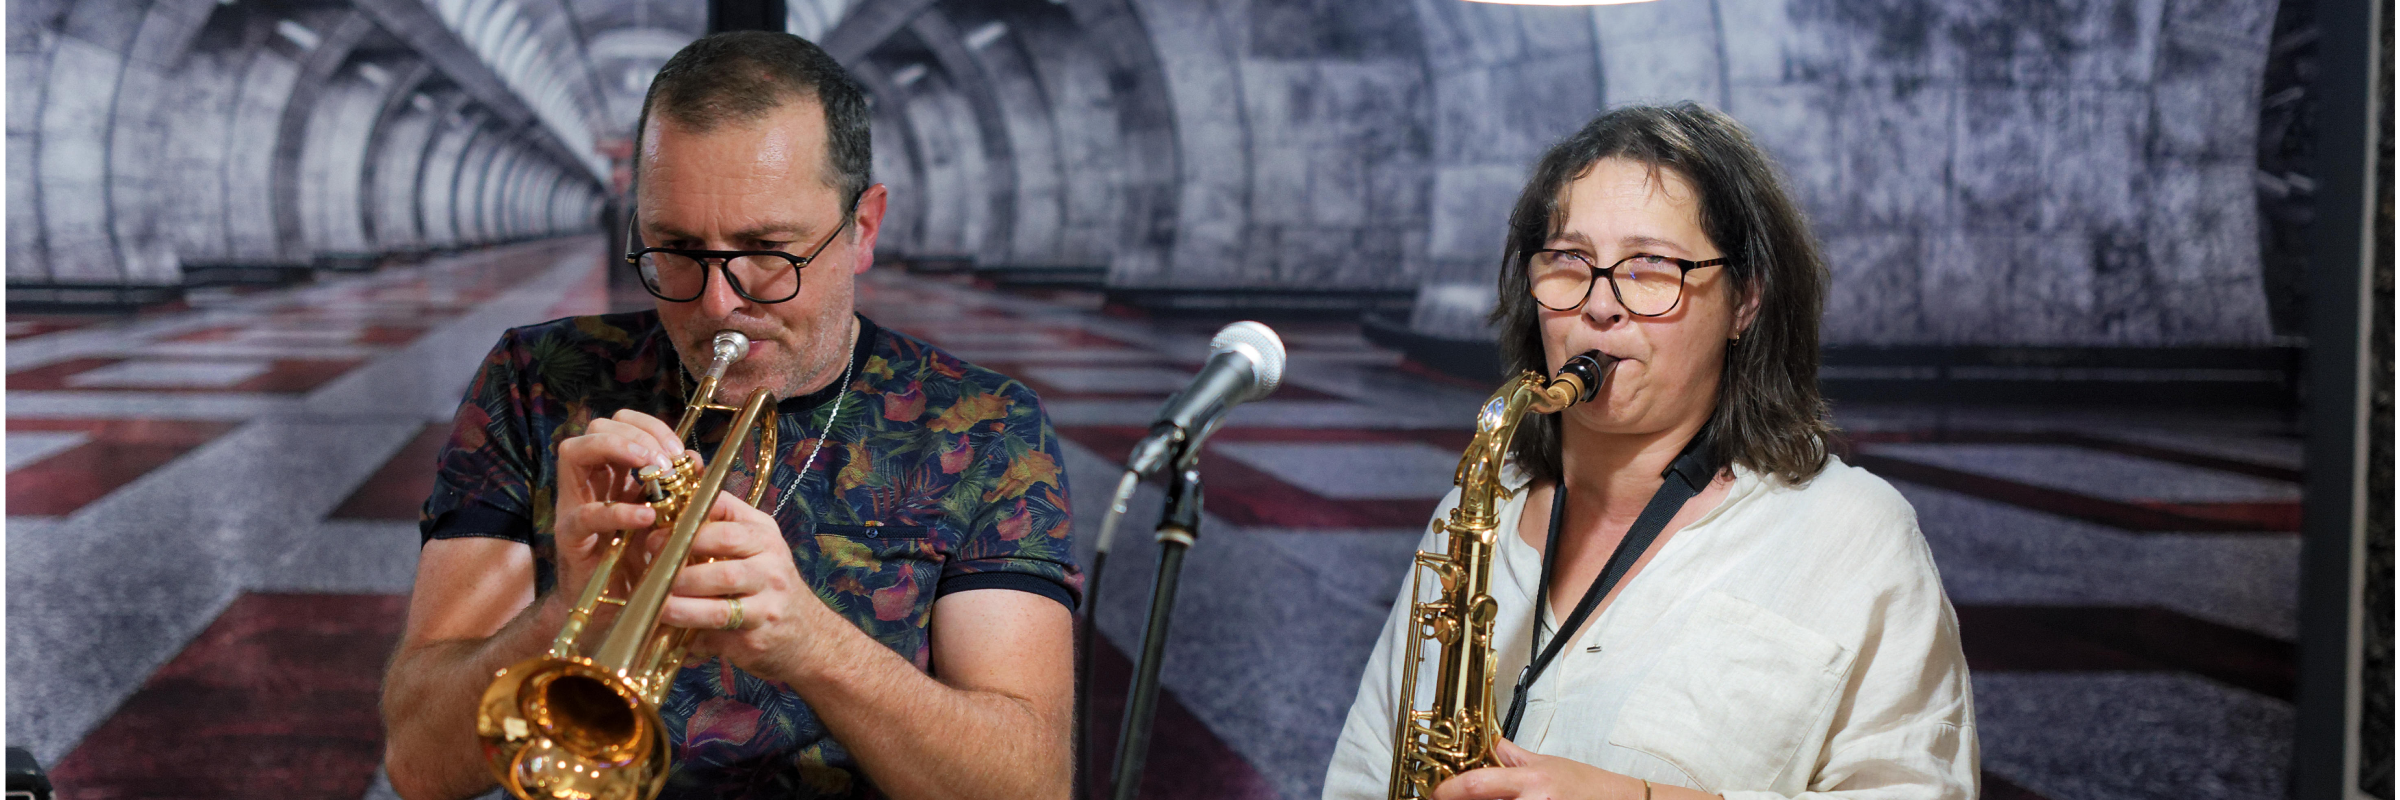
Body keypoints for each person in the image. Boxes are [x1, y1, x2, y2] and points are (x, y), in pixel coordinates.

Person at [380, 32, 1079, 800]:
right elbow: (418, 762)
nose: (719, 305)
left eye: (768, 250)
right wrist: (564, 612)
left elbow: (1030, 783)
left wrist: (814, 645)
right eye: (675, 248)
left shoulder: (983, 426)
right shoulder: (538, 381)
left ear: (863, 229)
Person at [1322, 104, 1975, 800]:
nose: (1600, 306)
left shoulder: (1854, 534)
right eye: (1570, 261)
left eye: (1650, 267)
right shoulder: (1477, 511)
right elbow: (1364, 770)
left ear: (1745, 300)